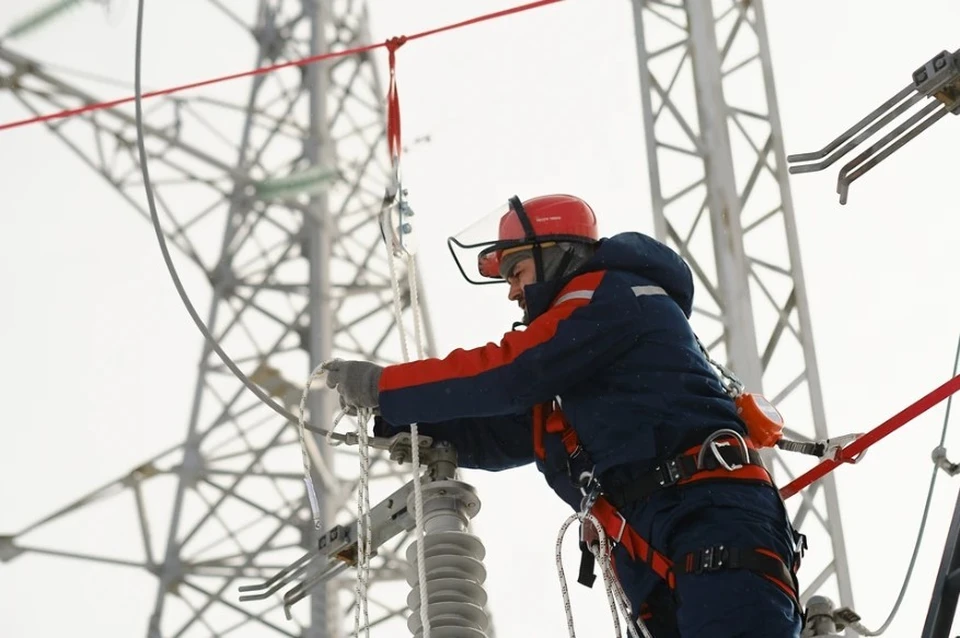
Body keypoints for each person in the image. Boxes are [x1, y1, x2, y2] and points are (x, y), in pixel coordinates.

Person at [322, 194, 806, 637]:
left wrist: (384, 388)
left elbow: (510, 374)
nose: (513, 293)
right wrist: (404, 425)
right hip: (666, 544)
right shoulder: (576, 364)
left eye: (516, 273)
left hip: (710, 521)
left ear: (554, 253)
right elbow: (512, 431)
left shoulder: (612, 295)